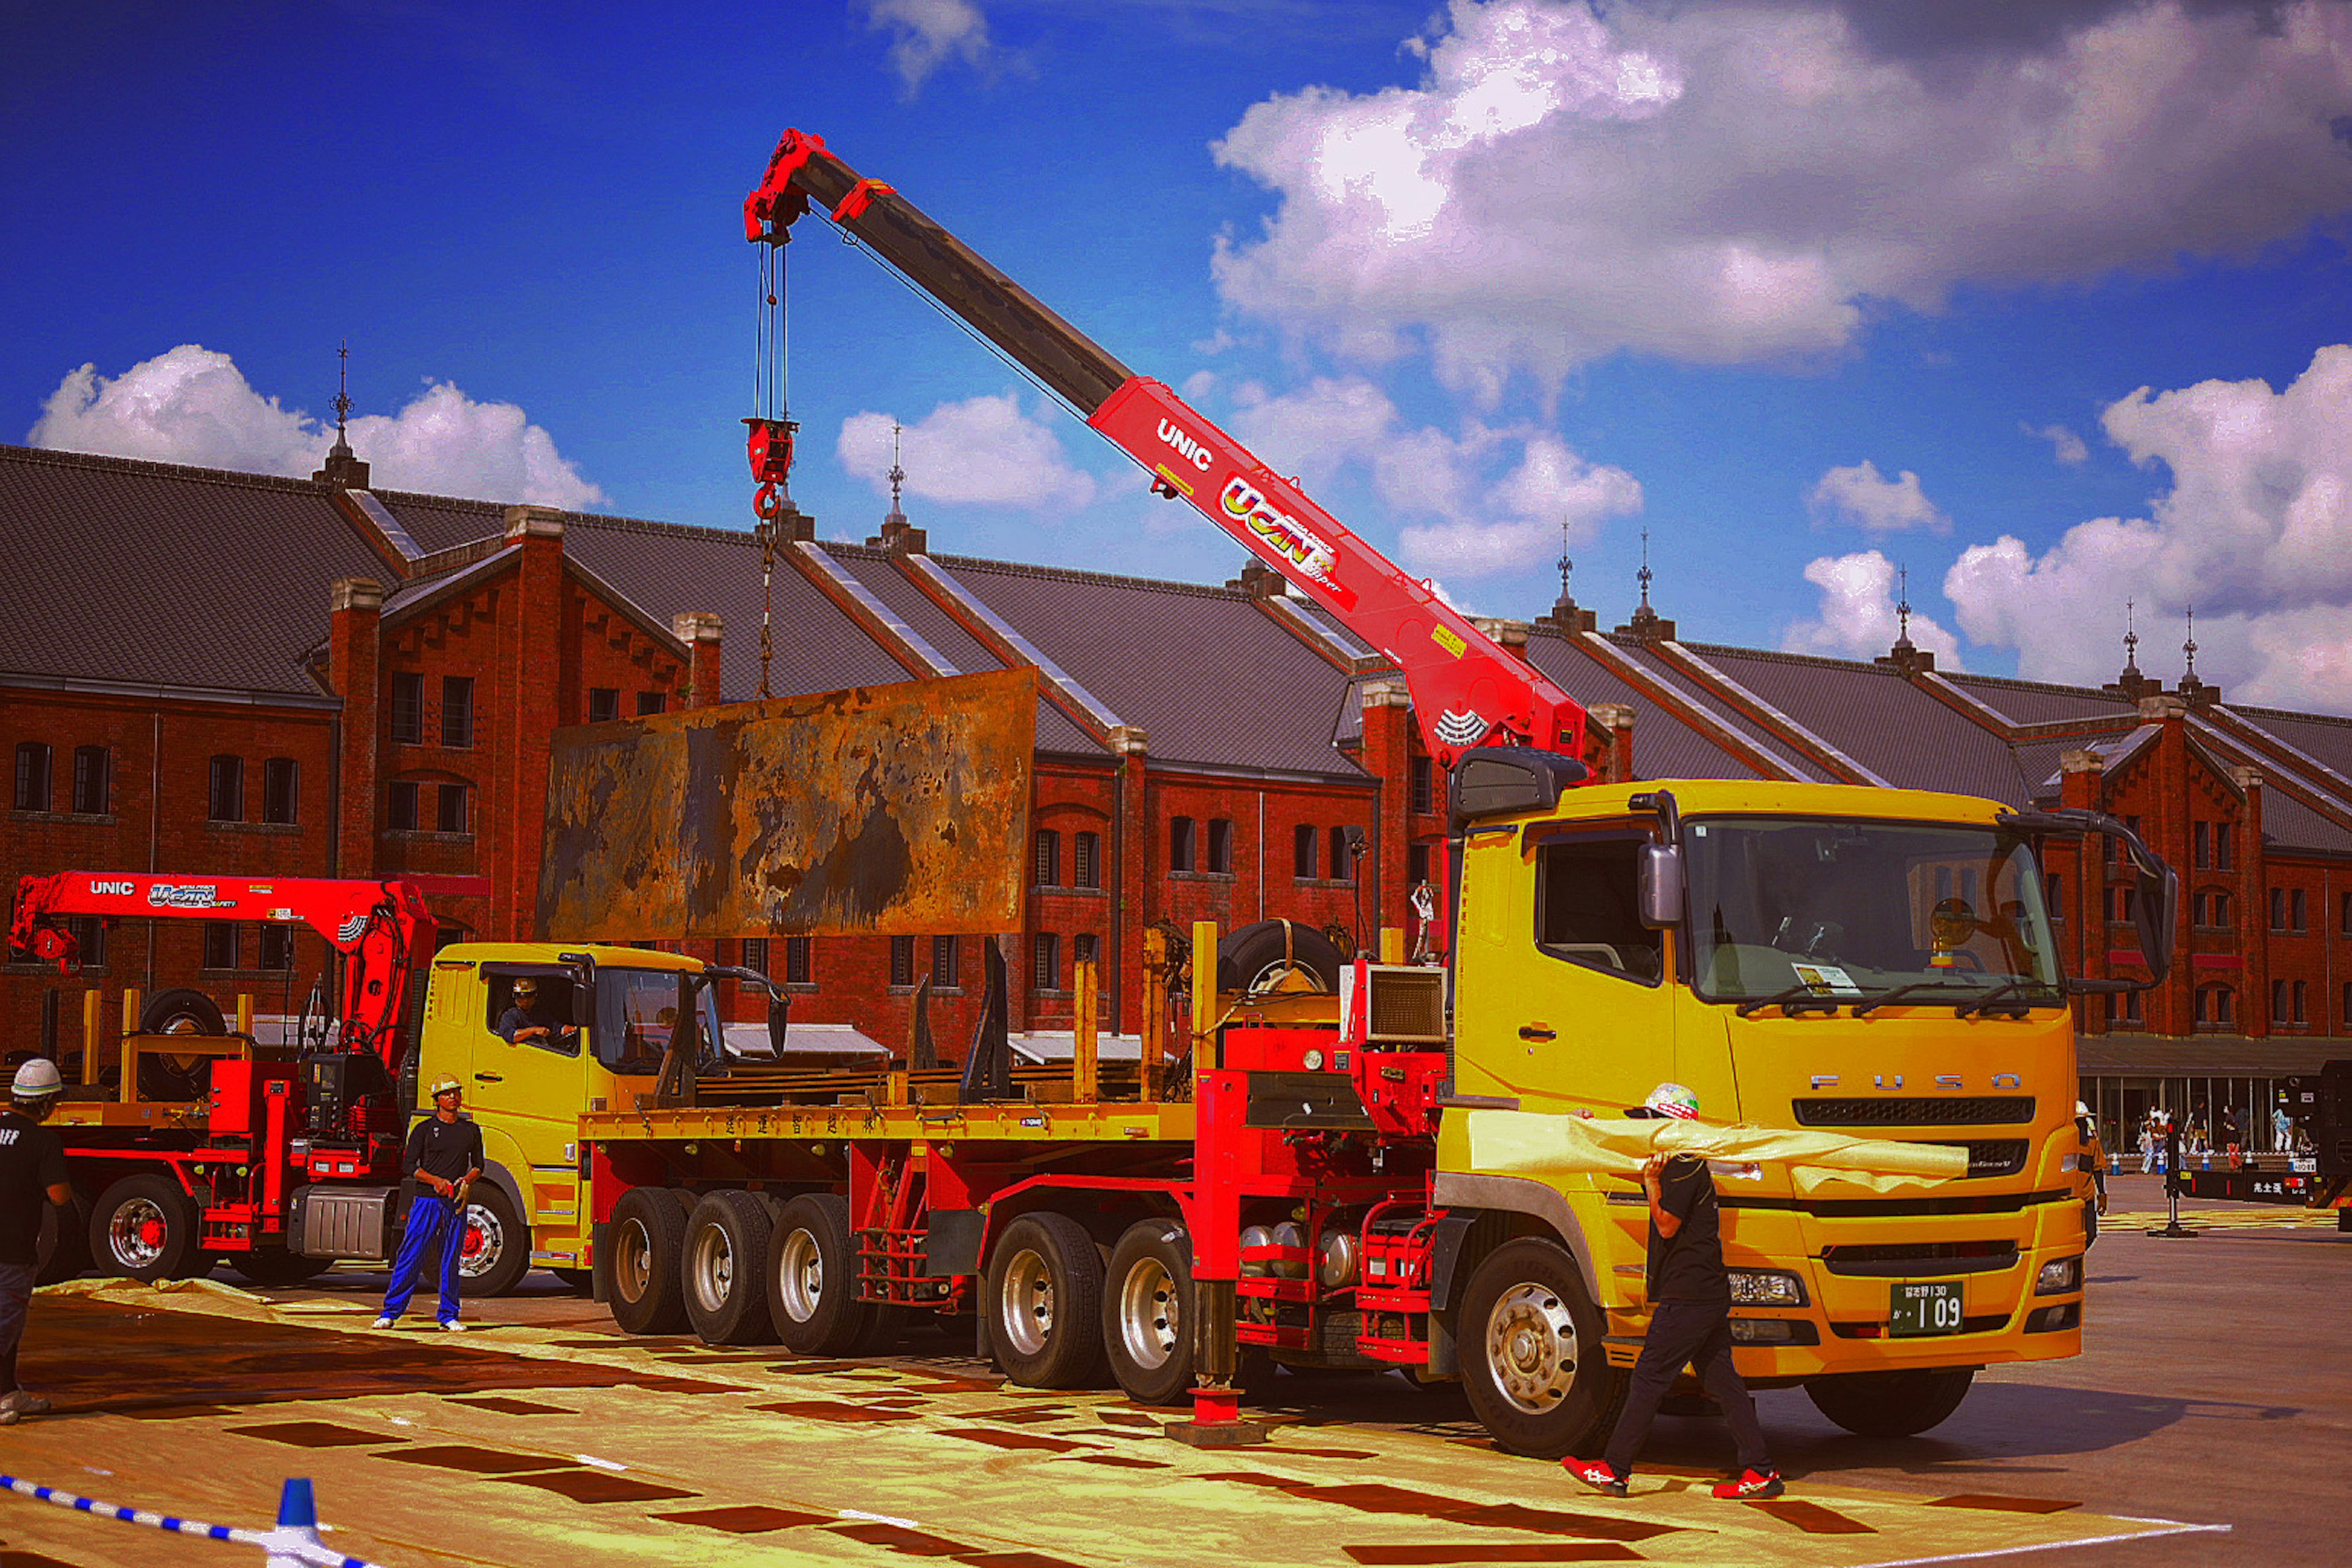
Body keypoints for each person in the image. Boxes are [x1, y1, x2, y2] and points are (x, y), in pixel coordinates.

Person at [1565, 1083, 1784, 1501]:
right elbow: (1627, 1162)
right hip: (1705, 1292)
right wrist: (1588, 1130)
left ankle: (1614, 1469)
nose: (1647, 1131)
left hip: (1690, 1295)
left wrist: (1650, 1184)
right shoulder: (1680, 1162)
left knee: (1648, 1377)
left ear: (1672, 1125)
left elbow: (1667, 1224)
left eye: (1652, 1122)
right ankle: (1761, 1471)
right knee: (1723, 1381)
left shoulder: (1683, 1165)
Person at [374, 1076, 484, 1332]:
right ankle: (390, 1312)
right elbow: (410, 1166)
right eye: (447, 1094)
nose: (453, 1098)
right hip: (427, 1201)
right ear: (437, 1101)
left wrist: (466, 1181)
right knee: (412, 1254)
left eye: (456, 1093)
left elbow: (479, 1165)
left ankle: (448, 1315)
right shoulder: (423, 1130)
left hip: (455, 1202)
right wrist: (436, 1181)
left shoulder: (470, 1130)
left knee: (451, 1258)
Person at [0, 1060, 72, 1425]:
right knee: (5, 1324)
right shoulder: (43, 1141)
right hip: (12, 1249)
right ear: (45, 1103)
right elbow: (59, 1195)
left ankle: (8, 1392)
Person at [496, 977, 575, 1050]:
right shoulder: (510, 1016)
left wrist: (574, 1029)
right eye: (521, 997)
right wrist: (534, 1030)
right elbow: (511, 1036)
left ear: (535, 996)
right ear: (514, 997)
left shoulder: (540, 1014)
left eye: (529, 996)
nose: (525, 1001)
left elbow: (559, 1029)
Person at [2074, 1101, 2109, 1246]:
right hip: (2069, 1198)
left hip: (2087, 1196)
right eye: (2078, 1121)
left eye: (2084, 1121)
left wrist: (2102, 1195)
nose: (2082, 1125)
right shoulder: (2064, 1143)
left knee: (2091, 1233)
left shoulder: (2092, 1143)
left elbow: (2098, 1170)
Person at [2219, 1105, 2241, 1171]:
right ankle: (2233, 1167)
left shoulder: (2229, 1117)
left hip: (2231, 1138)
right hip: (2234, 1138)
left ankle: (2239, 1165)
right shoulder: (2233, 1117)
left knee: (2232, 1154)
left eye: (2225, 1108)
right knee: (2233, 1154)